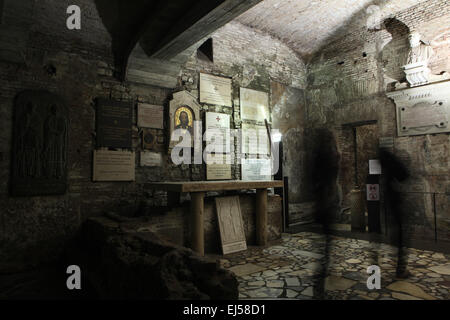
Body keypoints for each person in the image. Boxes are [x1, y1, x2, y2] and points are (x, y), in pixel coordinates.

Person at [379, 148, 410, 278]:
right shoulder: (392, 176)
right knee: (401, 238)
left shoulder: (386, 175)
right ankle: (401, 269)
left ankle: (399, 267)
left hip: (391, 206)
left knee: (398, 237)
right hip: (395, 206)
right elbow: (403, 175)